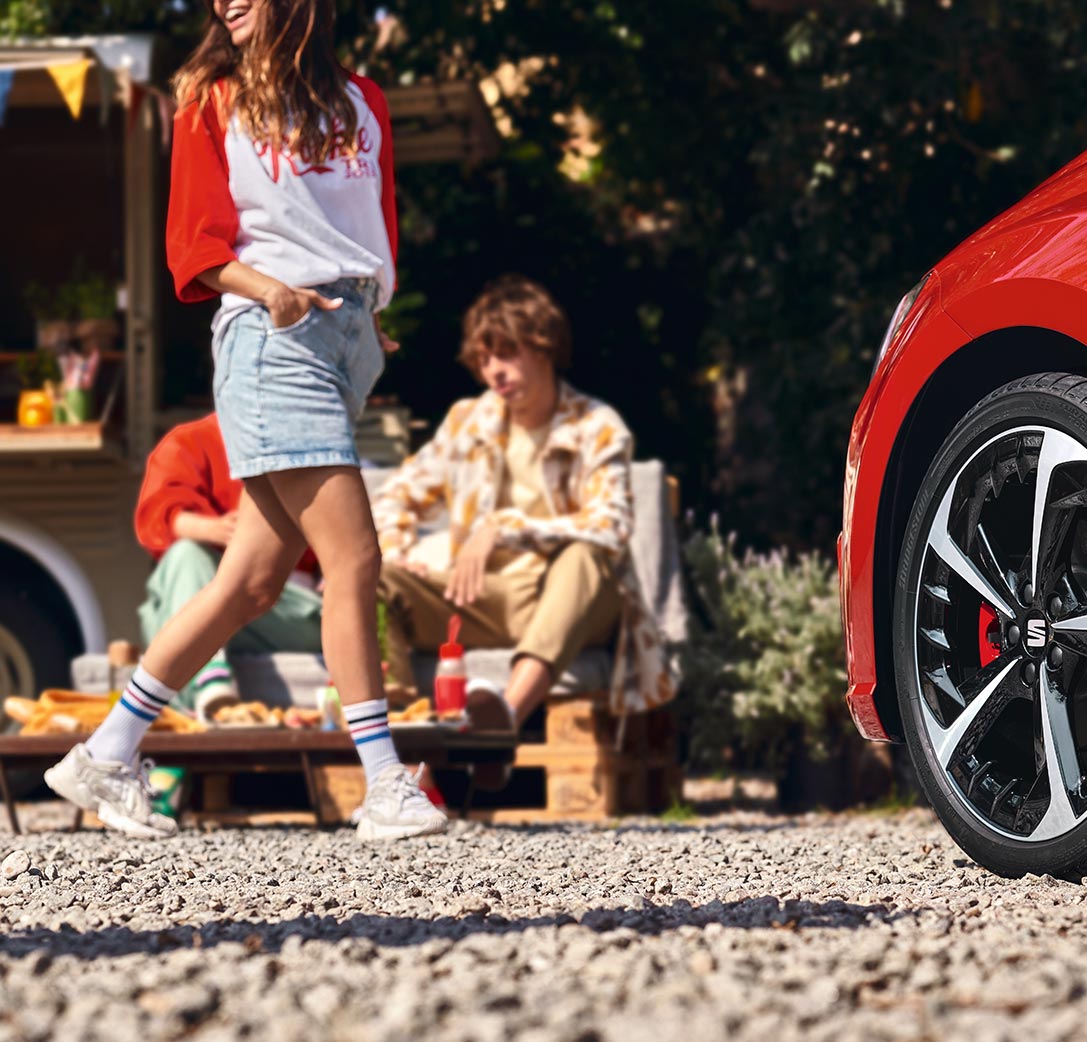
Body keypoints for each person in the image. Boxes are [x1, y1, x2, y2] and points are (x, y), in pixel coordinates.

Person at [43, 0, 446, 841]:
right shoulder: (211, 98)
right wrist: (278, 295)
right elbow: (193, 243)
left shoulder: (363, 101)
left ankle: (106, 753)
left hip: (346, 340)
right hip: (274, 336)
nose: (226, 1)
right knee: (353, 559)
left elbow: (372, 221)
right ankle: (382, 782)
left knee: (253, 582)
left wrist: (371, 311)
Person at [372, 275, 675, 733]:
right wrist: (397, 550)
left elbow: (611, 525)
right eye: (485, 357)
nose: (494, 370)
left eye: (507, 352)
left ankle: (503, 719)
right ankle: (401, 736)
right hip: (481, 599)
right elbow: (395, 495)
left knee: (583, 559)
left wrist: (503, 526)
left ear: (544, 346)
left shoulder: (597, 425)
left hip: (570, 601)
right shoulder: (468, 421)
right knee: (373, 576)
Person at [134, 412, 323, 718]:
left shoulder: (311, 443)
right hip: (204, 589)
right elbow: (161, 517)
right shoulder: (189, 440)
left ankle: (179, 751)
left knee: (175, 620)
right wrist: (220, 530)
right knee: (187, 557)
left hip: (284, 607)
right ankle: (211, 687)